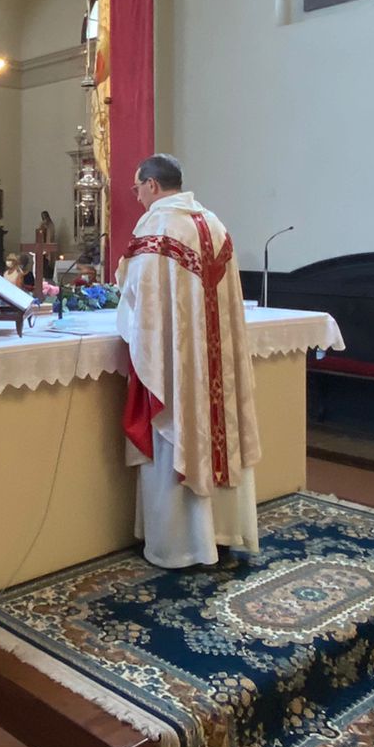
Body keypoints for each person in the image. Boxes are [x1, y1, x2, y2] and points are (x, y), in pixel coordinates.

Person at [116, 153, 262, 569]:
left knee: (178, 430)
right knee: (219, 429)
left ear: (153, 185)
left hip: (179, 364)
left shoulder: (159, 227)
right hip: (215, 364)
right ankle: (223, 531)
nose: (138, 196)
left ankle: (181, 544)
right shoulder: (215, 225)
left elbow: (139, 301)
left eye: (137, 188)